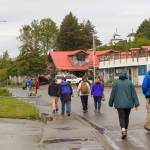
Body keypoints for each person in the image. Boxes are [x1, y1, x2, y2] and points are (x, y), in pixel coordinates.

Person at [109, 71, 139, 139]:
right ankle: (126, 130)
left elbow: (112, 94)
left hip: (119, 104)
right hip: (128, 104)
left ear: (119, 76)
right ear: (126, 76)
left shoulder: (116, 83)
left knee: (121, 117)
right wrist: (136, 103)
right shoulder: (130, 83)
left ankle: (123, 130)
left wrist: (110, 103)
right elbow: (134, 94)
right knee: (126, 117)